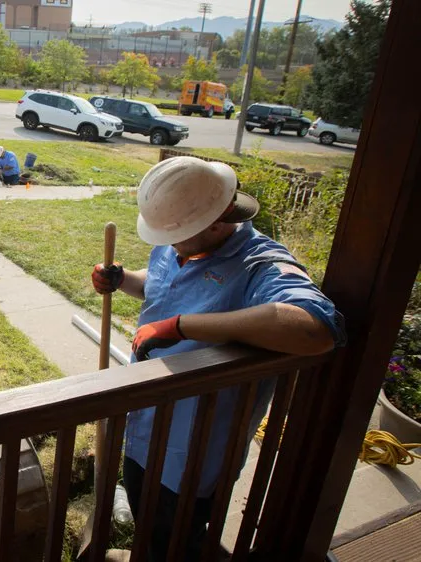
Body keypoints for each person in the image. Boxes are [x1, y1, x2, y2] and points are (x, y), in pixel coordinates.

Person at [90, 156, 344, 561]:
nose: (169, 245)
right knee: (148, 515)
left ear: (216, 222)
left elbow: (315, 328)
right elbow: (161, 287)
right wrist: (123, 280)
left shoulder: (260, 264)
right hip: (145, 423)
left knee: (176, 535)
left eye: (179, 235)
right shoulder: (183, 245)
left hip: (193, 449)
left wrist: (184, 326)